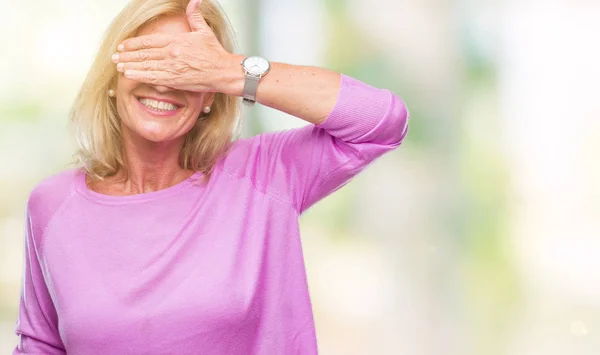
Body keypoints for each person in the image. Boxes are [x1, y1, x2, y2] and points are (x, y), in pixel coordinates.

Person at [13, 0, 409, 354]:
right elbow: (41, 346)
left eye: (187, 66)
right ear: (113, 79)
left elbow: (381, 120)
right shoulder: (52, 205)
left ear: (209, 96)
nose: (166, 81)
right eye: (152, 58)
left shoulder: (264, 175)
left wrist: (228, 69)